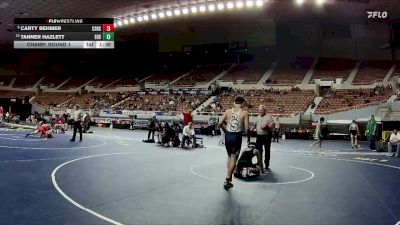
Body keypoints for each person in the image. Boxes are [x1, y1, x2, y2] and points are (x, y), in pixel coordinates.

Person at [218, 96, 250, 190]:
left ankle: (229, 178)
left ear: (234, 102)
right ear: (243, 103)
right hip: (236, 136)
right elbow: (247, 129)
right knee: (234, 157)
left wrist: (225, 130)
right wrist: (248, 137)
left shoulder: (228, 111)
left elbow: (219, 123)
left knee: (229, 156)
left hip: (228, 136)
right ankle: (227, 179)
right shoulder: (244, 113)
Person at [253, 105, 275, 171]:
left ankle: (267, 164)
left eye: (262, 110)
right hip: (259, 136)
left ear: (265, 110)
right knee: (258, 151)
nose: (260, 111)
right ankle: (259, 163)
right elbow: (254, 126)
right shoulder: (257, 118)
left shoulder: (269, 117)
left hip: (267, 136)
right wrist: (249, 129)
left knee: (267, 150)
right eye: (259, 110)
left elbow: (272, 126)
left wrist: (267, 127)